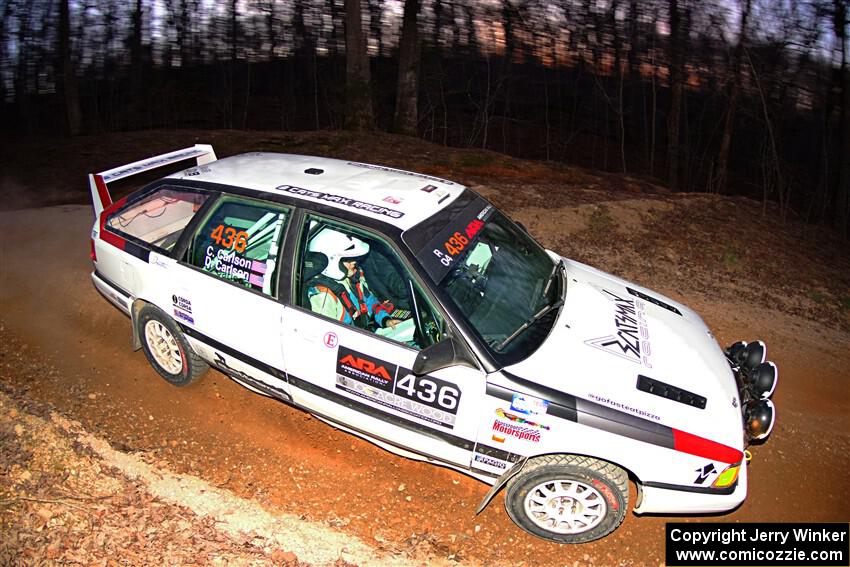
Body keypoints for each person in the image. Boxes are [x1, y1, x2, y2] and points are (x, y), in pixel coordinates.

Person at [305, 228, 404, 331]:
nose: (354, 262)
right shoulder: (323, 296)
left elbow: (371, 302)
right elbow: (324, 334)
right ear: (331, 261)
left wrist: (385, 320)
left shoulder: (352, 279)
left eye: (354, 258)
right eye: (348, 260)